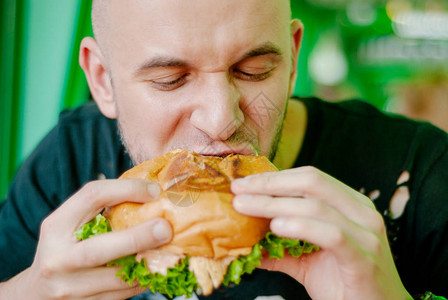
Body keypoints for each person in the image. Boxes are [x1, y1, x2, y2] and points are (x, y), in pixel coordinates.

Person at [0, 0, 447, 299]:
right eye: (169, 80)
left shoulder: (425, 171)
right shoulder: (70, 160)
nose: (221, 120)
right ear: (101, 79)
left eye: (253, 71)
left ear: (291, 63)